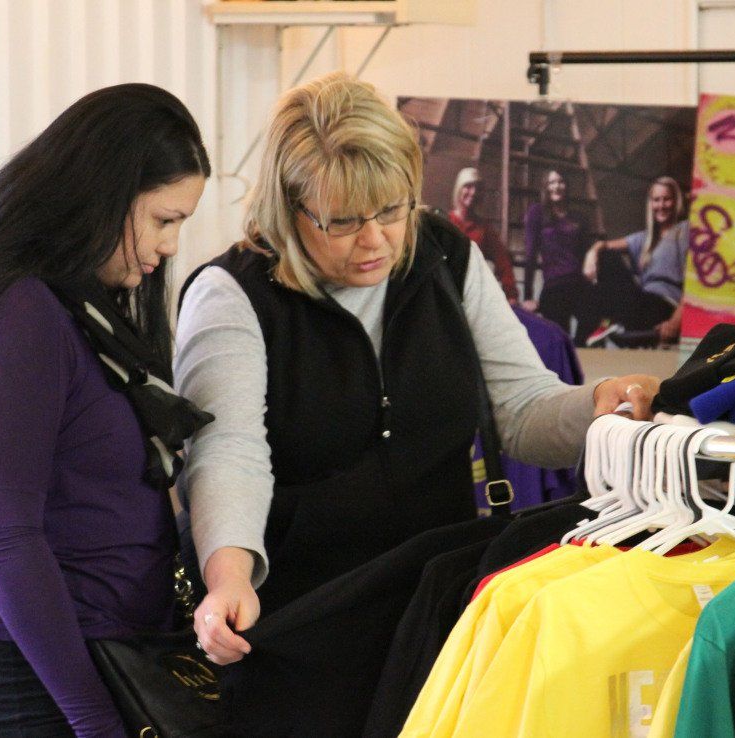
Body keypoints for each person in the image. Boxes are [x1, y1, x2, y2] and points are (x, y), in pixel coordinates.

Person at [174, 71, 659, 677]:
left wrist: (600, 405)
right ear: (288, 209)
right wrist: (229, 579)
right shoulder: (232, 295)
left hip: (438, 607)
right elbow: (228, 455)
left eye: (391, 209)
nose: (375, 239)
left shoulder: (444, 255)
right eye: (343, 221)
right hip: (298, 620)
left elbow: (524, 410)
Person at [0, 84, 209, 737]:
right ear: (103, 195)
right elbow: (2, 535)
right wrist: (93, 719)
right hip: (24, 676)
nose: (171, 245)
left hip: (66, 661)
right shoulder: (17, 310)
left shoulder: (58, 303)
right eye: (163, 219)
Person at [581, 175, 691, 346]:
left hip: (666, 306)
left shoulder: (684, 230)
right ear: (650, 204)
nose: (661, 205)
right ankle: (608, 325)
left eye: (666, 199)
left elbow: (695, 282)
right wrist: (592, 253)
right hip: (642, 304)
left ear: (676, 201)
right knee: (605, 256)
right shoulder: (644, 239)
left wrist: (675, 322)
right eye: (656, 200)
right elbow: (604, 246)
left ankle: (614, 324)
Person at [522, 169, 596, 343]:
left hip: (578, 283)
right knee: (559, 337)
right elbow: (530, 255)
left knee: (594, 318)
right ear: (546, 188)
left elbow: (588, 253)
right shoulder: (537, 212)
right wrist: (527, 296)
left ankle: (579, 350)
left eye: (560, 181)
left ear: (566, 186)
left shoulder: (579, 217)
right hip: (554, 287)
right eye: (551, 182)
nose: (556, 186)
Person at [447, 167, 518, 302]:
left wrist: (511, 295)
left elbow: (503, 261)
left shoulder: (484, 228)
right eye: (468, 186)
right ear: (459, 188)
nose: (473, 192)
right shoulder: (444, 222)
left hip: (472, 297)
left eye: (478, 188)